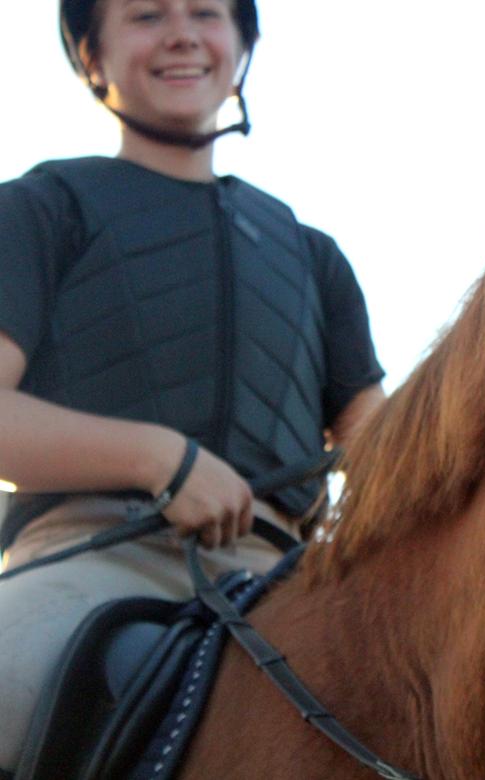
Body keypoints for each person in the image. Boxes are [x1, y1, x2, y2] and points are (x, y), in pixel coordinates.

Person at [0, 0, 386, 772]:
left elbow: (386, 450)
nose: (180, 32)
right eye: (145, 15)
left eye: (206, 13)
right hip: (88, 557)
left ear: (240, 45)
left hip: (287, 579)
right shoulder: (40, 209)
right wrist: (162, 461)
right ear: (91, 55)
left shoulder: (313, 256)